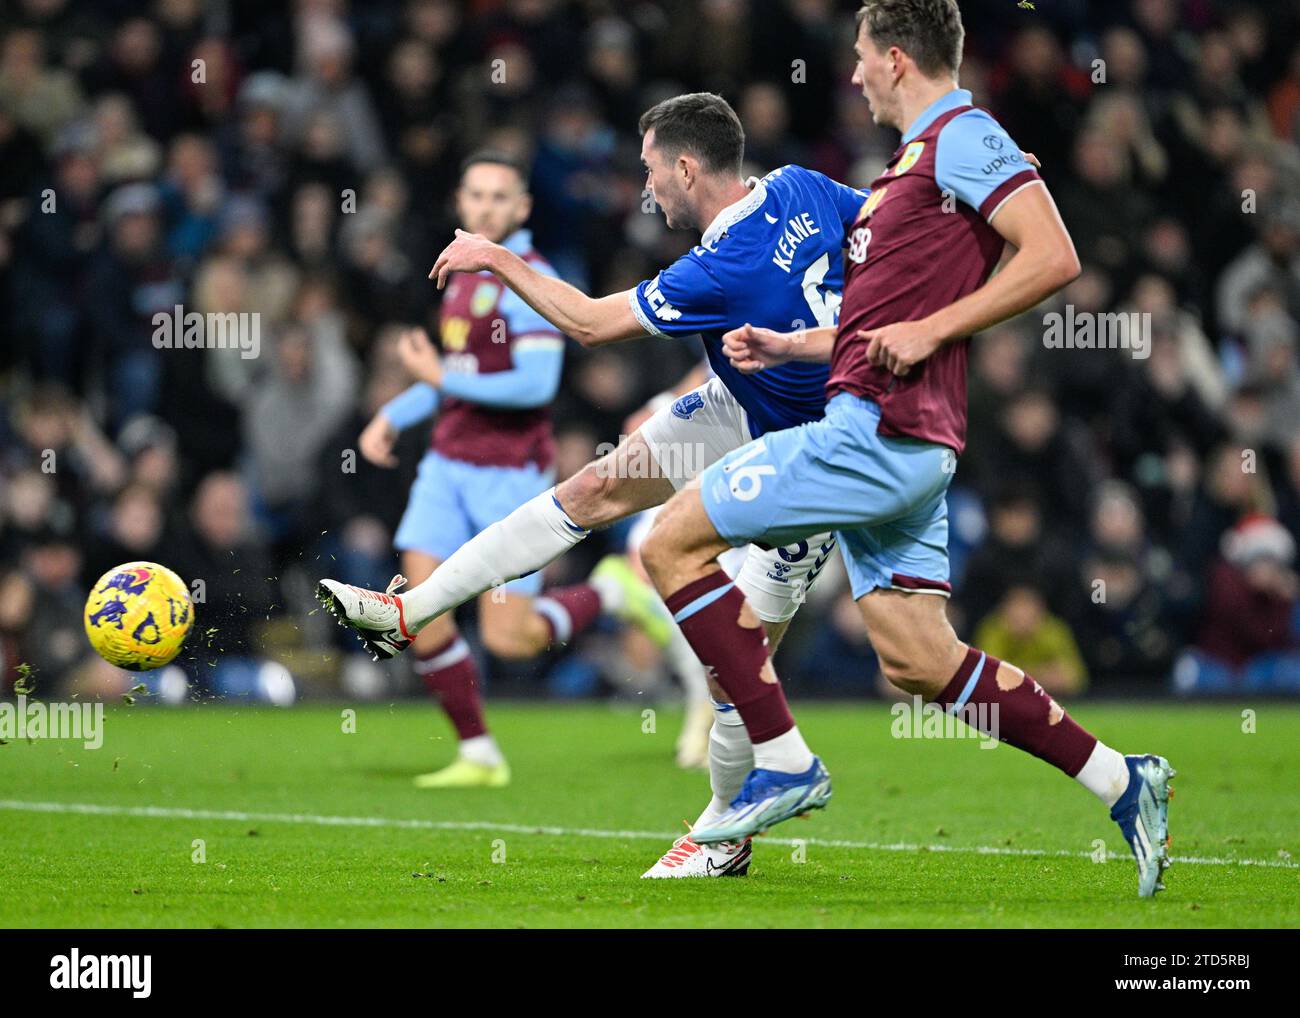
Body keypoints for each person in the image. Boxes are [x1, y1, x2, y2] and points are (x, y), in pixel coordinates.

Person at [637, 0, 1176, 898]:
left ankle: (783, 760)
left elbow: (1053, 257)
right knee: (918, 660)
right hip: (906, 442)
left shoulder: (961, 135)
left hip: (873, 435)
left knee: (666, 543)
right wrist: (794, 345)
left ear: (895, 59)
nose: (851, 75)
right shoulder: (907, 169)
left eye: (859, 57)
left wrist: (934, 328)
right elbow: (882, 315)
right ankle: (1124, 781)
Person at [319, 92, 865, 877]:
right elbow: (893, 212)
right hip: (744, 403)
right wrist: (979, 197)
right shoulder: (800, 185)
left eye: (650, 170)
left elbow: (587, 323)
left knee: (737, 669)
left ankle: (725, 835)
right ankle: (410, 611)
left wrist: (496, 257)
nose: (647, 187)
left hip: (808, 457)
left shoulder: (719, 268)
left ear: (686, 167)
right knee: (595, 488)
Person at [324, 151, 622, 789]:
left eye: (499, 197)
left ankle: (613, 591)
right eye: (476, 195)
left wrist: (436, 376)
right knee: (416, 611)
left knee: (511, 638)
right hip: (446, 466)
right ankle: (479, 751)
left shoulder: (533, 278)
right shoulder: (461, 271)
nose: (486, 207)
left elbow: (534, 385)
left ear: (523, 207)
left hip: (510, 474)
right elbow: (458, 378)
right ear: (460, 202)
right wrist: (395, 414)